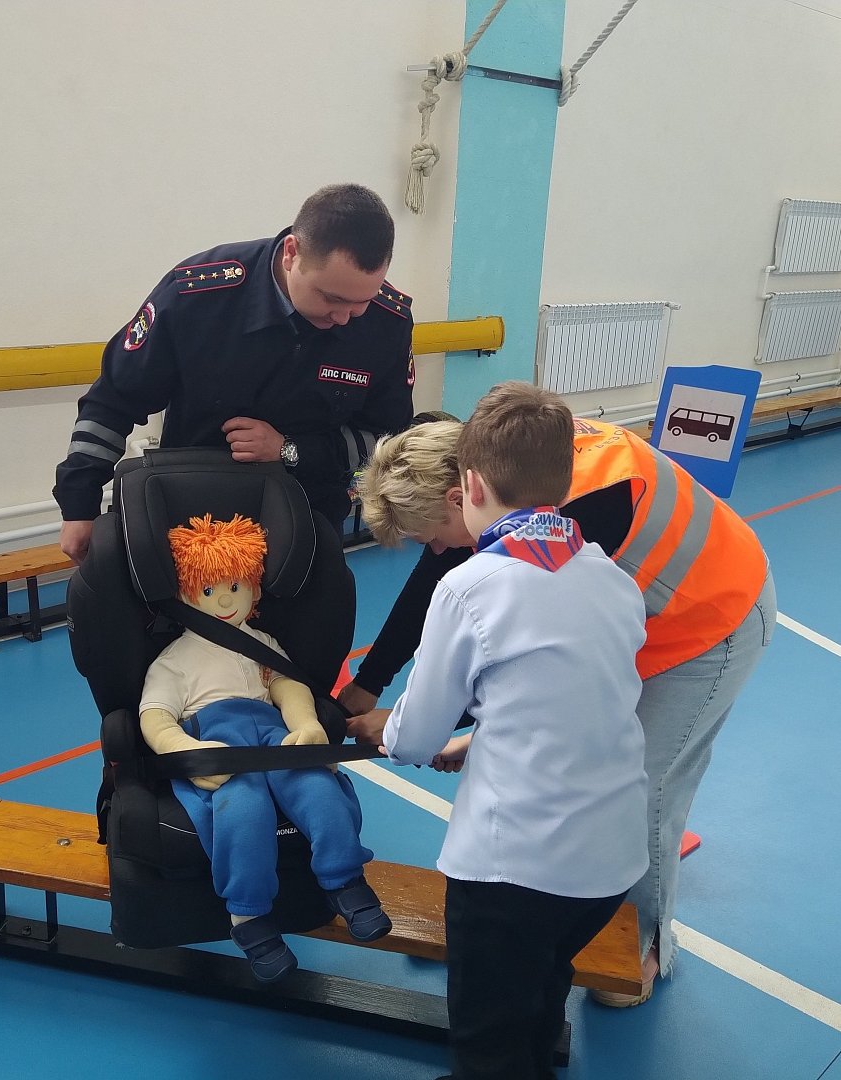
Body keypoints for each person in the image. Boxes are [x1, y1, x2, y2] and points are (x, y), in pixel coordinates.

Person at [342, 388, 777, 1007]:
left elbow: (528, 658)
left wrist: (415, 723)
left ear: (463, 495)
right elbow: (443, 581)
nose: (434, 551)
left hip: (713, 619)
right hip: (639, 616)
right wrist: (370, 683)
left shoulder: (580, 511)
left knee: (650, 785)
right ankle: (508, 918)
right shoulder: (510, 470)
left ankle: (642, 943)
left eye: (429, 535)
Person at [380, 383, 650, 1080]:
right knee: (541, 988)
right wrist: (478, 739)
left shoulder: (470, 586)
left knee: (487, 1040)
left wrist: (393, 729)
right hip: (608, 866)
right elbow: (570, 702)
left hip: (515, 873)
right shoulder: (613, 579)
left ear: (469, 485)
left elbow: (412, 739)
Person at [55, 183, 415, 563]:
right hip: (191, 521)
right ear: (291, 253)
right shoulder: (198, 297)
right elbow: (114, 401)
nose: (344, 317)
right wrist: (79, 505)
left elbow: (385, 440)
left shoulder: (386, 323)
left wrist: (290, 449)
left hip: (306, 522)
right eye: (331, 298)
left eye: (362, 302)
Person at [140, 513, 391, 984]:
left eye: (235, 587)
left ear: (253, 589)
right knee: (243, 809)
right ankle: (248, 914)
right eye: (209, 590)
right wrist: (186, 750)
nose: (224, 600)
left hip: (274, 734)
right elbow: (154, 716)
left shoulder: (264, 643)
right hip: (218, 742)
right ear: (187, 595)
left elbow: (286, 686)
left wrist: (305, 723)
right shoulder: (173, 662)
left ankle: (345, 879)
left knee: (318, 788)